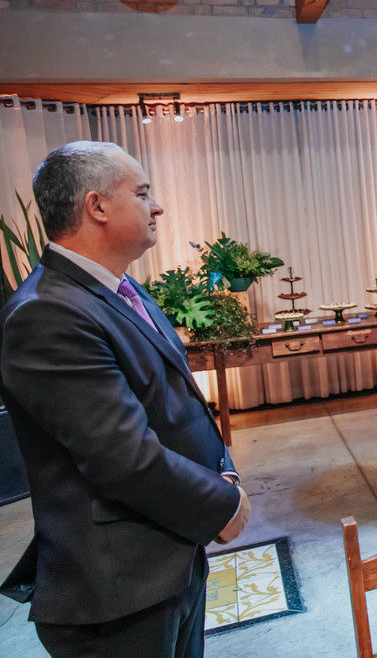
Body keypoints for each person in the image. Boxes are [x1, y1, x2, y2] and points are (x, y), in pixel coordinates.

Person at [0, 142, 249, 658]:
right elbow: (121, 456)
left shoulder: (119, 288)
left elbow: (178, 403)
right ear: (97, 206)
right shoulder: (46, 314)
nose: (157, 206)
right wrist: (222, 505)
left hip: (169, 555)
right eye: (142, 193)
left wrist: (223, 472)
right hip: (119, 590)